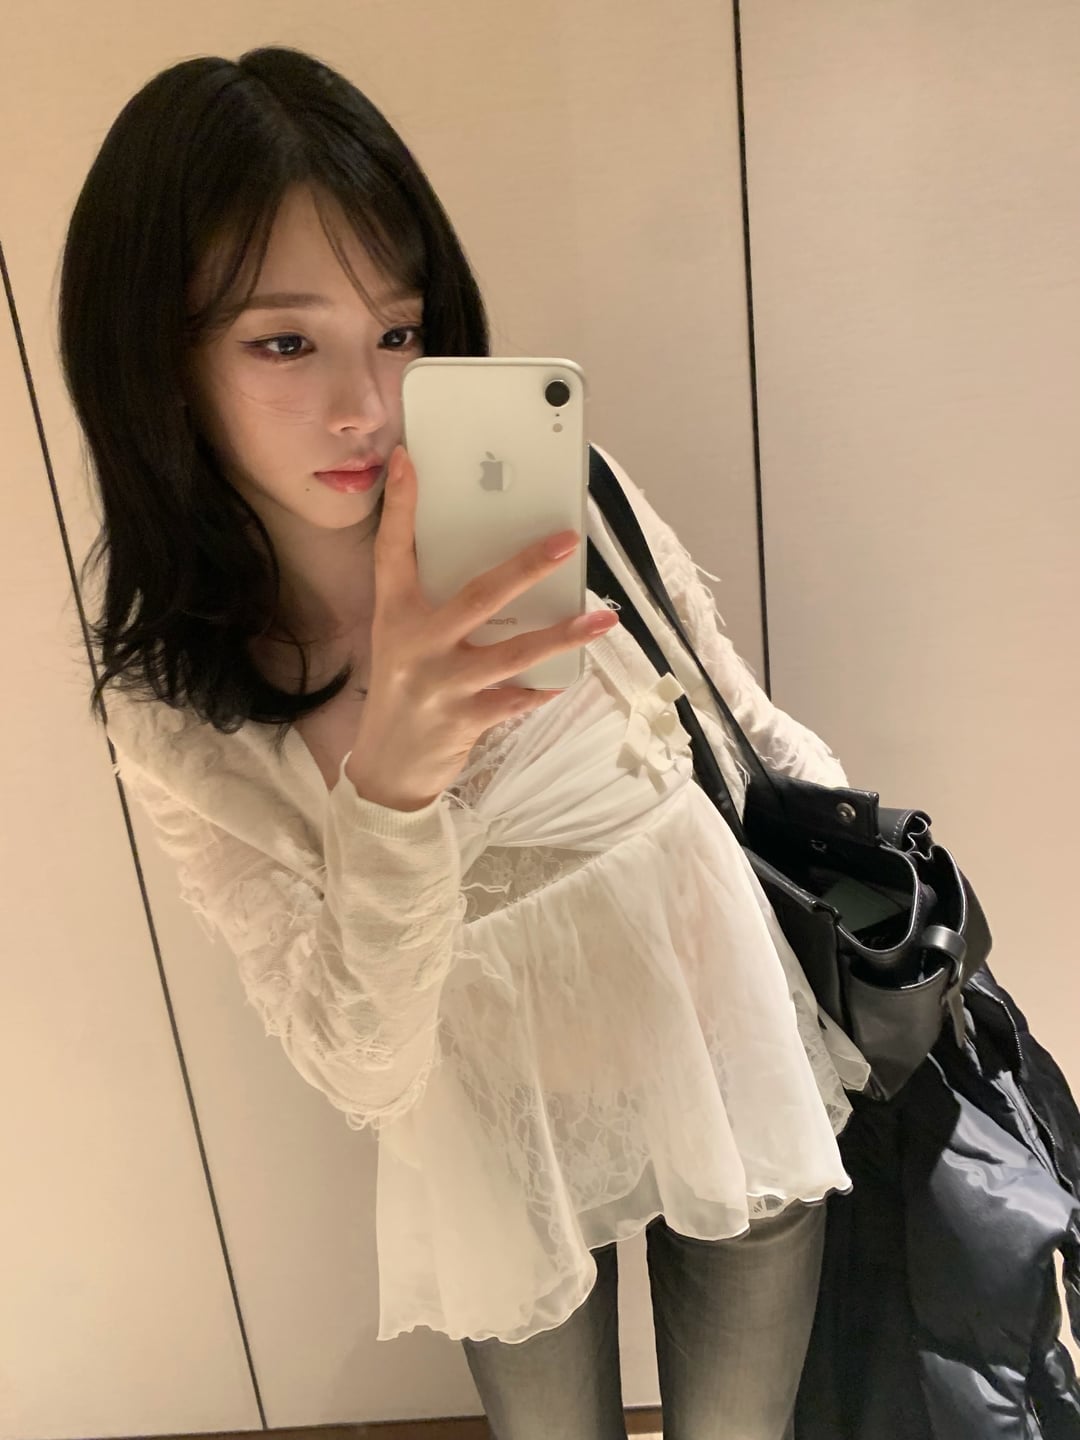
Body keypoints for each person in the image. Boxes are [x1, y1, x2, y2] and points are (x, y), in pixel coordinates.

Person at [57, 45, 871, 1440]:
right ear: (156, 364)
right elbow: (361, 1066)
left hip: (722, 1035)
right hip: (492, 1135)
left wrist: (887, 899)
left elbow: (741, 721)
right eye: (284, 342)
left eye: (399, 331)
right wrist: (390, 789)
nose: (367, 406)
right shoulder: (182, 710)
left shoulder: (551, 502)